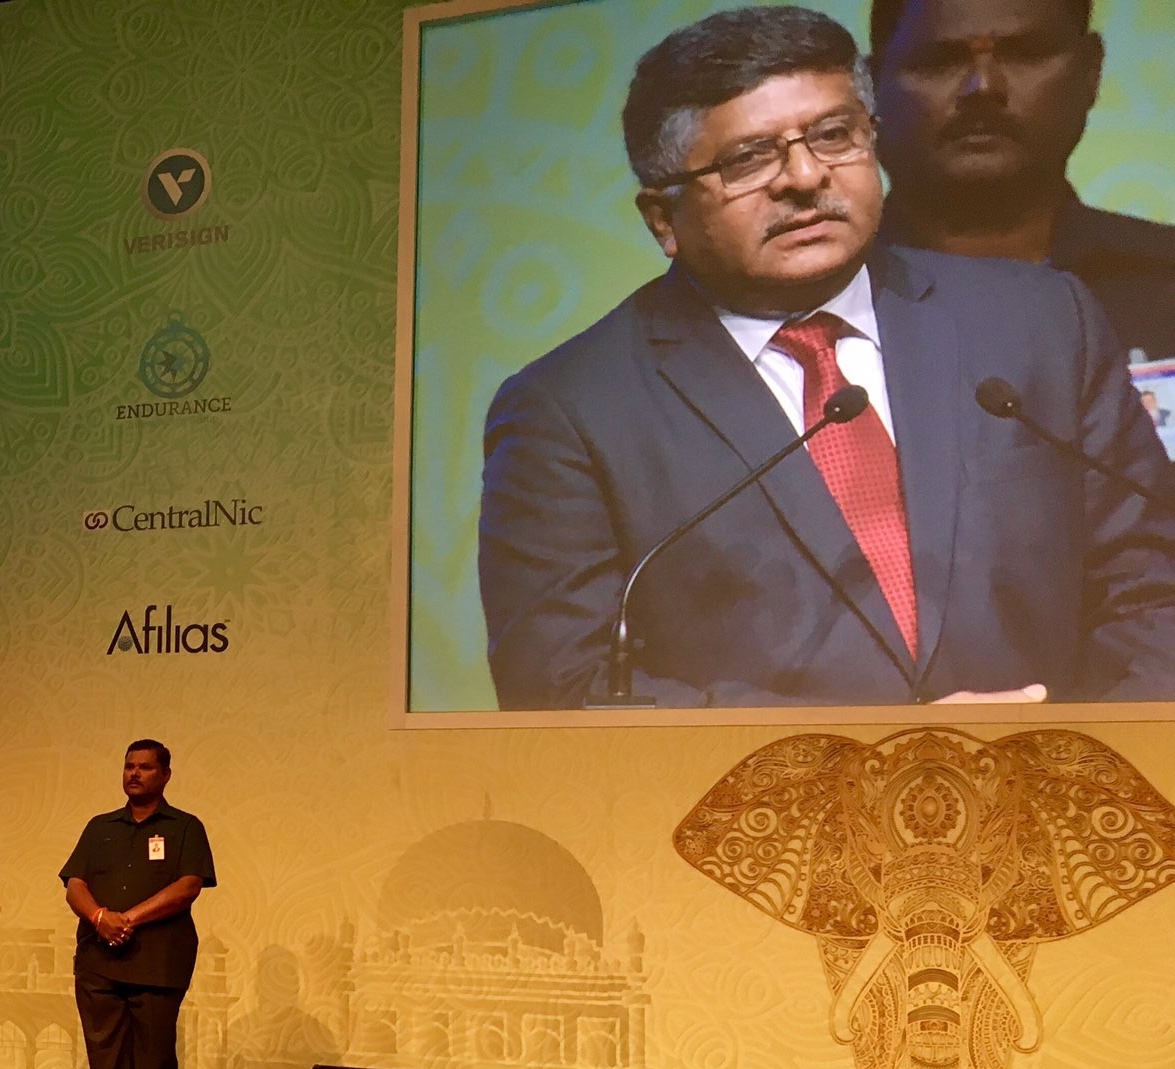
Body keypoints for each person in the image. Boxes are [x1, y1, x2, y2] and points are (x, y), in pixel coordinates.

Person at [476, 4, 1175, 709]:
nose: (806, 176)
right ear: (664, 219)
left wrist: (1068, 756)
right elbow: (565, 685)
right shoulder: (568, 411)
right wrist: (884, 754)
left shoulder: (1042, 321)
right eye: (748, 159)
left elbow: (1152, 594)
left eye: (833, 135)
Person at [870, 0, 1175, 363]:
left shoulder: (1165, 276)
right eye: (939, 61)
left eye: (1025, 55)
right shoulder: (821, 294)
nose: (983, 87)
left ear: (1091, 71)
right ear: (869, 87)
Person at [58, 740, 215, 1069]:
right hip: (99, 964)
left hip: (158, 964)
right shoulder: (100, 827)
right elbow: (75, 884)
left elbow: (188, 887)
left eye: (145, 767)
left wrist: (128, 919)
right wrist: (99, 917)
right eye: (129, 766)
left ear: (165, 775)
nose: (134, 774)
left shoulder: (185, 827)